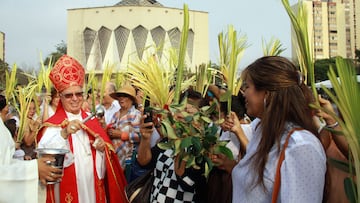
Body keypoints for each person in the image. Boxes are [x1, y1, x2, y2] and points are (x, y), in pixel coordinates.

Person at [214, 56, 326, 202]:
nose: (243, 93)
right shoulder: (262, 131)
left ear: (267, 94)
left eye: (247, 86)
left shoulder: (301, 146)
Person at [37, 54, 127, 203]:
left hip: (92, 185)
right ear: (60, 96)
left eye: (79, 94)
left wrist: (101, 149)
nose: (74, 98)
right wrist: (64, 133)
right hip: (67, 187)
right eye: (68, 95)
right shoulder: (53, 125)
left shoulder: (91, 120)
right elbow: (45, 160)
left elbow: (108, 157)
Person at [137, 90, 208, 203]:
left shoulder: (203, 149)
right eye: (178, 109)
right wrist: (145, 139)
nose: (180, 114)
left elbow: (196, 187)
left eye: (187, 110)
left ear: (200, 116)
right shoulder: (168, 141)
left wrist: (181, 170)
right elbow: (144, 162)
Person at [0, 94, 62, 203]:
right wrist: (34, 168)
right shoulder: (22, 122)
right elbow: (28, 142)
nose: (7, 109)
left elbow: (6, 163)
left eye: (34, 108)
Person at [107, 84, 144, 182]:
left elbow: (141, 137)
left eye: (125, 96)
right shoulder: (116, 114)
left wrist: (121, 135)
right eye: (119, 96)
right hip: (114, 159)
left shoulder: (136, 115)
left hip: (128, 161)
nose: (121, 98)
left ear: (131, 99)